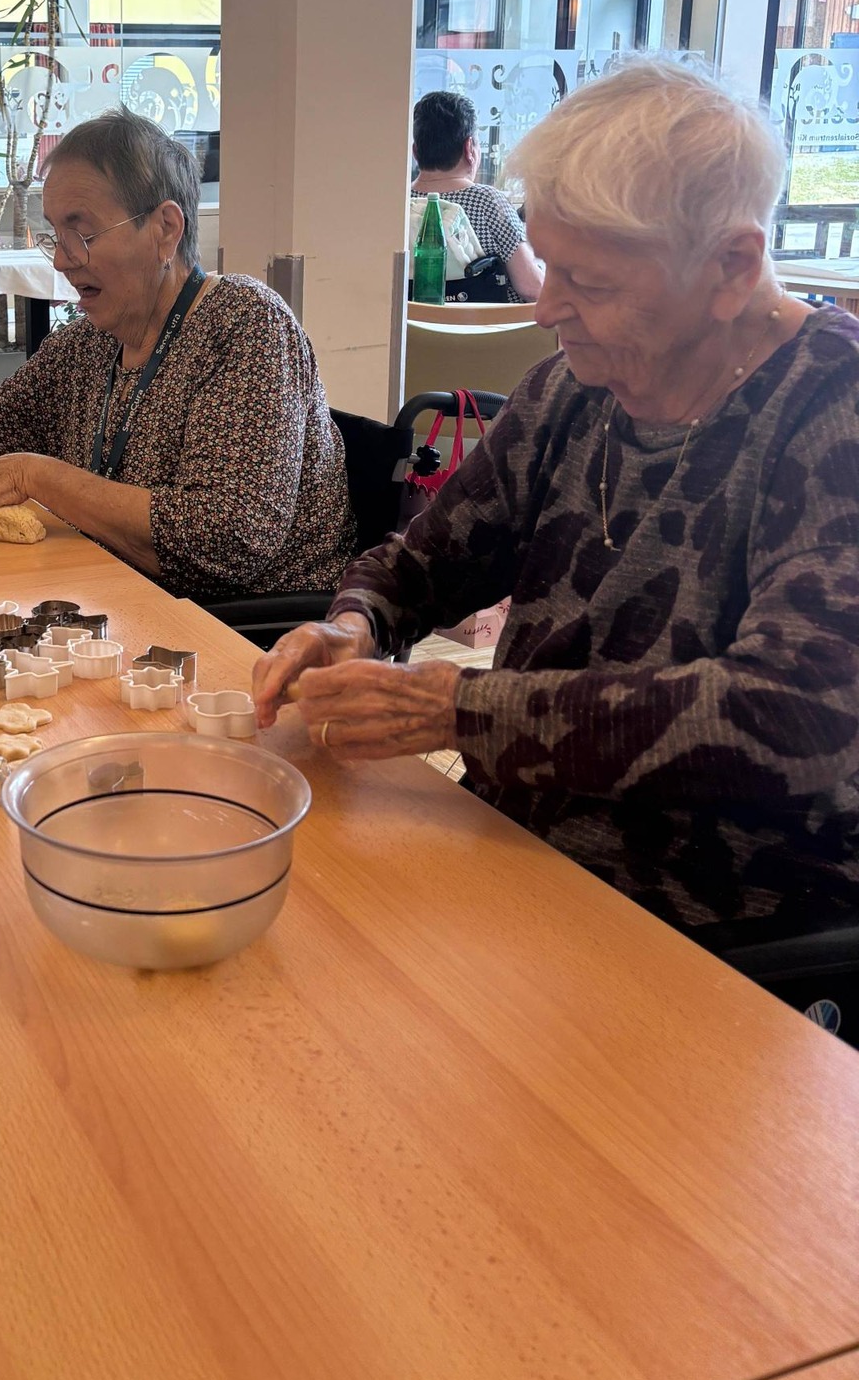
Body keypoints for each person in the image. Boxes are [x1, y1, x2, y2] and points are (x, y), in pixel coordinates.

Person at [257, 57, 859, 998]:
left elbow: (790, 714)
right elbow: (423, 560)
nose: (546, 309)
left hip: (710, 927)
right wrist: (354, 624)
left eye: (590, 281)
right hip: (513, 856)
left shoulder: (832, 409)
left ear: (732, 269)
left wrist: (457, 711)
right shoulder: (573, 390)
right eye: (550, 265)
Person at [0, 107, 355, 601]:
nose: (62, 261)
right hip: (124, 601)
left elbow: (228, 541)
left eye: (82, 233)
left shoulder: (245, 323)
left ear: (165, 229)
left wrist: (33, 475)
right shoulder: (86, 344)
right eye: (55, 234)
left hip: (252, 632)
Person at [412, 90, 543, 301]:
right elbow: (531, 288)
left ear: (415, 152)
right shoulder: (487, 202)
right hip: (489, 323)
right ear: (469, 149)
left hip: (410, 323)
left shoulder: (400, 204)